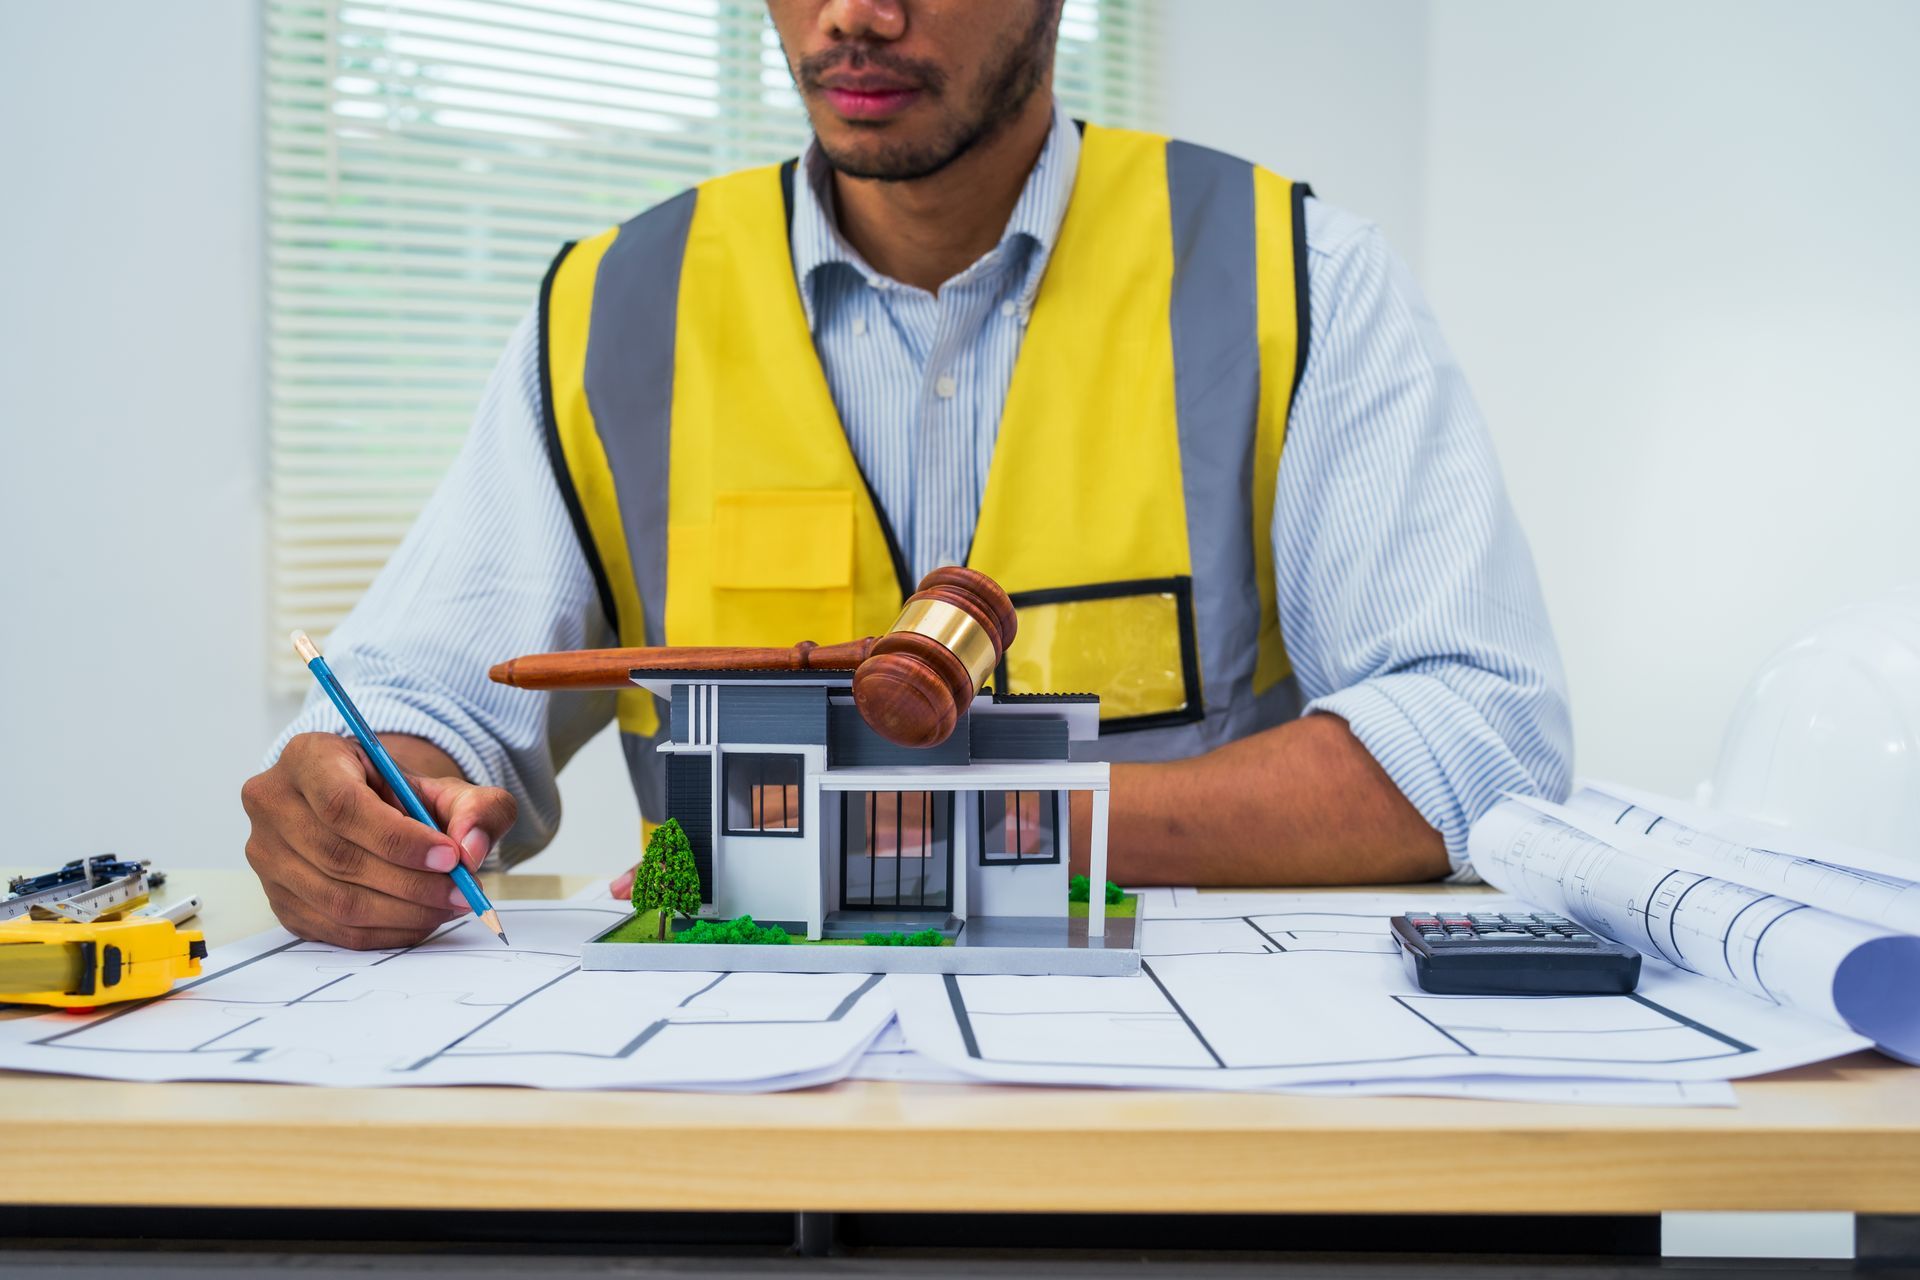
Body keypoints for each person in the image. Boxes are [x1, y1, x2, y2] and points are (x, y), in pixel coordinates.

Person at [241, 0, 1570, 950]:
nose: (856, 16)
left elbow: (1476, 738)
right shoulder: (613, 309)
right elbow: (423, 704)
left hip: (1166, 1095)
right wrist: (367, 805)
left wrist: (975, 820)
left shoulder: (1301, 278)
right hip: (737, 1107)